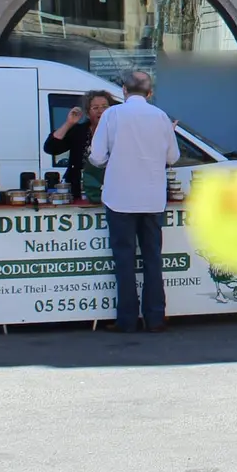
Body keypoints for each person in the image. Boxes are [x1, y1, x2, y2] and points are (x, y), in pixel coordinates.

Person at [87, 71, 178, 333]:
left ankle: (126, 320)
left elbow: (96, 156)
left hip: (120, 198)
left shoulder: (112, 115)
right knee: (153, 258)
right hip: (151, 198)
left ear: (124, 90)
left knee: (124, 260)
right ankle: (156, 317)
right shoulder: (160, 117)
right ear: (149, 93)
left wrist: (113, 160)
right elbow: (172, 157)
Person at [44, 90, 112, 202]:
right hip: (78, 190)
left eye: (105, 107)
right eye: (95, 108)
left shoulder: (118, 132)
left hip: (110, 191)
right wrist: (69, 123)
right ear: (87, 113)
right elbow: (51, 148)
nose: (101, 111)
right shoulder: (79, 131)